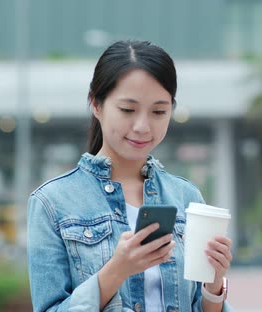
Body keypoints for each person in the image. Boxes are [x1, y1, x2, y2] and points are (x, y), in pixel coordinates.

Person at [27, 40, 233, 312]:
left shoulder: (186, 197)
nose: (142, 126)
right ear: (96, 104)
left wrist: (214, 286)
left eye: (159, 111)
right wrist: (117, 270)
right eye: (127, 110)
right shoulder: (52, 203)